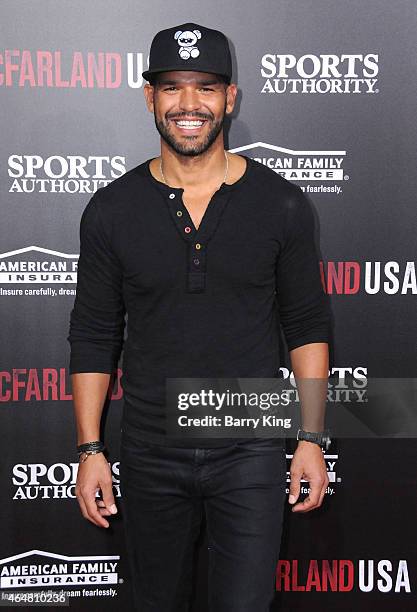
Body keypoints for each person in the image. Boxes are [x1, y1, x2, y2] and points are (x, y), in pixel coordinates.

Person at [67, 22, 332, 612]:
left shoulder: (282, 205)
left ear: (230, 98)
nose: (190, 104)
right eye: (173, 87)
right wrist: (89, 450)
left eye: (206, 87)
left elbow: (307, 326)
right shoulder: (110, 210)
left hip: (250, 450)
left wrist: (311, 437)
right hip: (148, 450)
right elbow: (93, 335)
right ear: (149, 97)